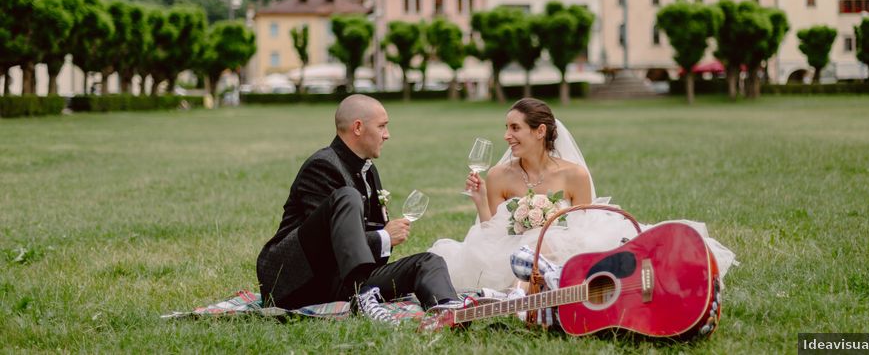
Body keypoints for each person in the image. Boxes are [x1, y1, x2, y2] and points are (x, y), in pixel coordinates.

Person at [429, 97, 736, 291]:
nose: (506, 136)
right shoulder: (498, 175)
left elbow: (585, 225)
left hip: (564, 242)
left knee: (580, 247)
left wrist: (546, 233)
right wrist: (480, 199)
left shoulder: (573, 174)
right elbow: (490, 231)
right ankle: (524, 292)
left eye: (515, 128)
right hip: (508, 248)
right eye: (506, 127)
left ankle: (521, 293)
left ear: (540, 131)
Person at [256, 94, 461, 323]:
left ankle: (448, 310)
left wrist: (384, 238)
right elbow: (329, 246)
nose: (387, 135)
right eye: (382, 126)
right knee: (347, 195)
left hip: (343, 283)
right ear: (358, 127)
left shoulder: (369, 170)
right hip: (293, 282)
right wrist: (384, 237)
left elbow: (361, 247)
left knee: (429, 261)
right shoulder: (322, 165)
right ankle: (363, 295)